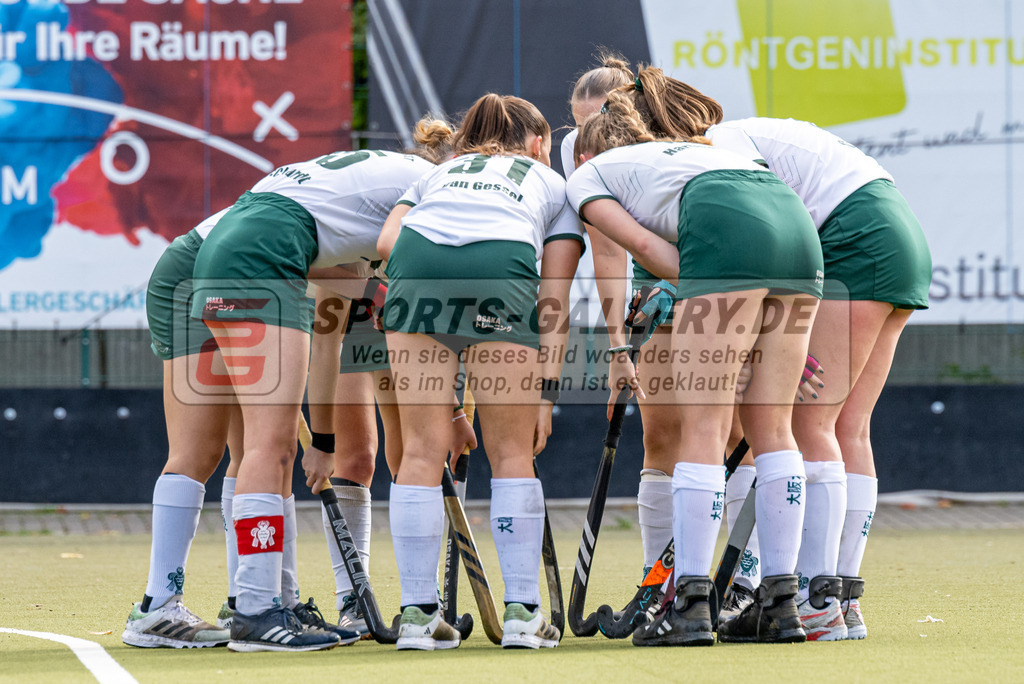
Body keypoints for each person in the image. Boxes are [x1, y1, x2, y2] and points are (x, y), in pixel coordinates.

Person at [624, 66, 931, 640]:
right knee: (848, 427)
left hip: (851, 238)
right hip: (895, 233)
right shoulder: (735, 137)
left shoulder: (716, 149)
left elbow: (768, 235)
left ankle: (816, 600)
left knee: (805, 421)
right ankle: (838, 600)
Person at [567, 92, 823, 646]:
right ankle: (778, 604)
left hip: (728, 234)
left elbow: (637, 244)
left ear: (584, 156)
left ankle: (690, 605)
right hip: (798, 231)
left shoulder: (587, 177)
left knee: (703, 427)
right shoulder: (693, 149)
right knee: (773, 426)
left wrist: (698, 290)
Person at [189, 139, 445, 652]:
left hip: (275, 267)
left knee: (380, 451)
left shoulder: (388, 212)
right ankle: (277, 604)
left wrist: (453, 410)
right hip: (291, 283)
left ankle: (268, 601)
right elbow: (329, 341)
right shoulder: (398, 209)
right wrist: (322, 438)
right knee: (287, 448)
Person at [376, 93, 583, 650]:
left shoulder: (437, 174)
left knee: (420, 451)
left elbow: (386, 242)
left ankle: (417, 617)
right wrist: (545, 393)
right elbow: (554, 298)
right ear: (539, 143)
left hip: (416, 267)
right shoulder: (555, 184)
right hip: (500, 268)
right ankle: (522, 612)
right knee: (512, 453)